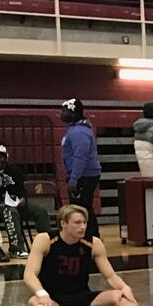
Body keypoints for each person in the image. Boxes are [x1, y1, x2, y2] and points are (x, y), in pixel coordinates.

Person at [24, 204, 153, 306]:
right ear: (63, 223)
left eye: (84, 222)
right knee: (34, 301)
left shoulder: (93, 243)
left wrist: (124, 287)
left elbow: (109, 275)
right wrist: (43, 295)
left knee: (118, 295)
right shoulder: (45, 240)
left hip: (83, 297)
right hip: (53, 299)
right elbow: (29, 274)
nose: (82, 226)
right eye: (77, 222)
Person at [0, 144, 49, 258]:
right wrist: (3, 199)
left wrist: (22, 198)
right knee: (11, 212)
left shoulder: (14, 170)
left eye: (0, 157)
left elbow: (21, 189)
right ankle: (16, 248)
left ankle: (46, 245)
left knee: (41, 212)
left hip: (16, 201)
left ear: (6, 157)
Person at [59, 97, 102, 240]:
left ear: (73, 113)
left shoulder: (79, 132)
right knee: (82, 207)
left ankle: (91, 237)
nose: (61, 113)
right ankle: (88, 236)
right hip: (82, 174)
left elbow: (80, 156)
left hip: (84, 175)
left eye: (64, 111)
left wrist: (74, 179)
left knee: (82, 208)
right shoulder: (74, 129)